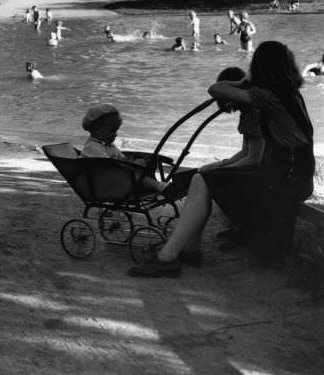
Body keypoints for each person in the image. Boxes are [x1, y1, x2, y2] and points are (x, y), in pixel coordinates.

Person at [128, 41, 315, 277]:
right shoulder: (288, 93)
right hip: (292, 174)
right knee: (202, 179)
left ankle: (170, 257)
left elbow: (215, 89)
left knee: (203, 179)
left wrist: (244, 81)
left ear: (259, 67)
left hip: (285, 178)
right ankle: (185, 252)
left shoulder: (267, 96)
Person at [80, 104, 173, 197]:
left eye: (116, 131)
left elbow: (122, 160)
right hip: (101, 185)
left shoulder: (108, 146)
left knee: (137, 169)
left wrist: (135, 163)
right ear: (96, 129)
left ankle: (155, 185)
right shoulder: (92, 147)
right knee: (131, 173)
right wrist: (132, 165)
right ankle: (159, 186)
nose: (115, 135)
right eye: (111, 131)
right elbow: (108, 165)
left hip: (111, 181)